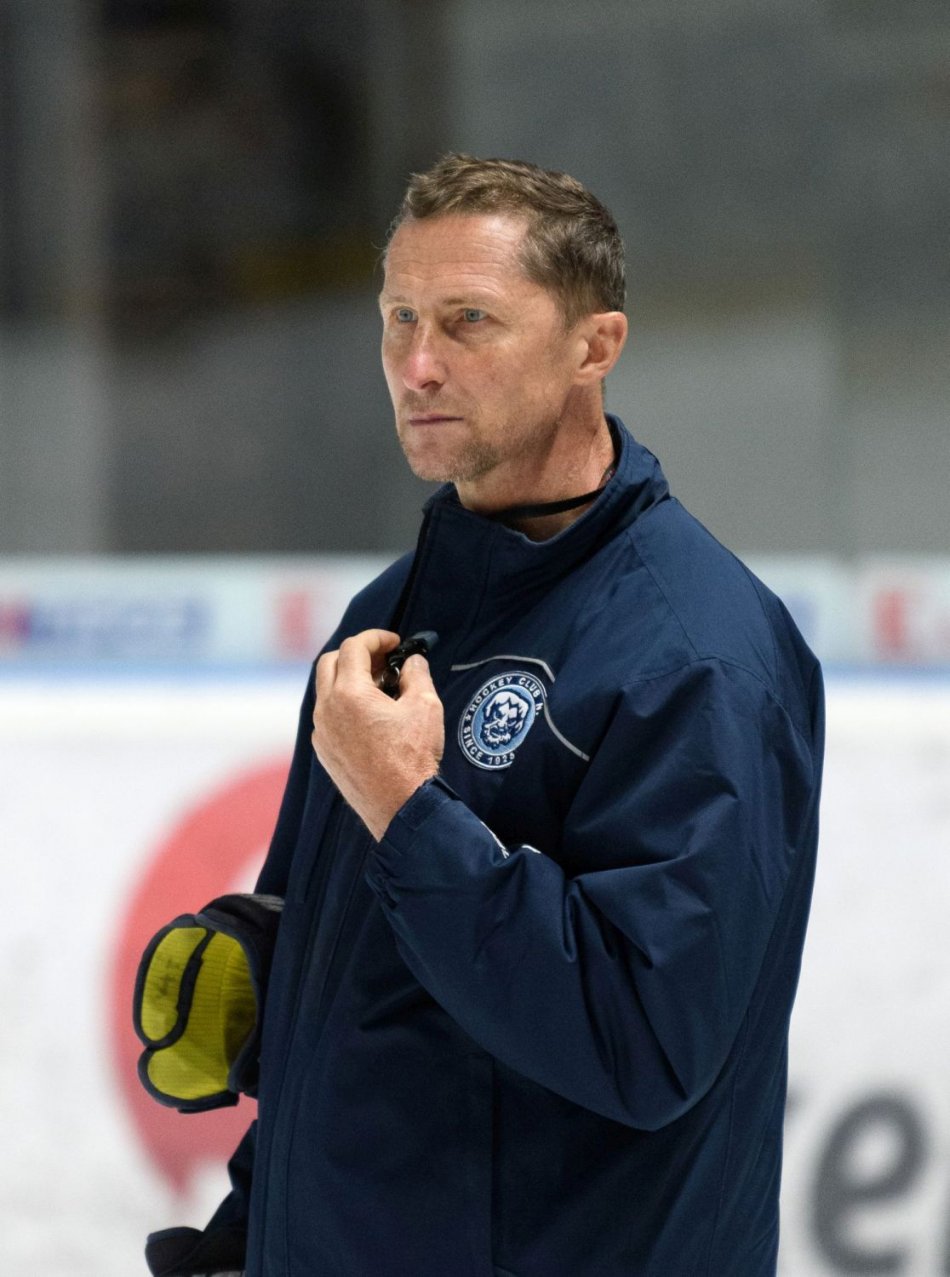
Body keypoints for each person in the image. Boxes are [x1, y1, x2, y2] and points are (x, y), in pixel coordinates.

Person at [143, 155, 824, 1276]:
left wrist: (410, 813)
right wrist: (249, 1236)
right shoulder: (389, 614)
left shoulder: (698, 655)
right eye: (399, 318)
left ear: (593, 347)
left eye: (469, 320)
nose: (418, 364)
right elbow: (368, 998)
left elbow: (643, 1044)